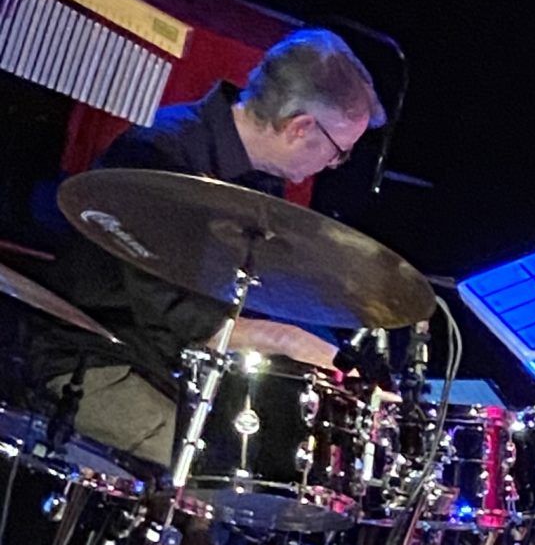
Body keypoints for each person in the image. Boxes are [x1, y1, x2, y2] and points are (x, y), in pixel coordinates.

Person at [35, 28, 383, 463]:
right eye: (339, 152)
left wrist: (344, 360)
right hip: (97, 360)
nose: (333, 166)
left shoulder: (261, 184)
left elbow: (258, 297)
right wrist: (287, 341)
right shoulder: (160, 156)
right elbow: (175, 320)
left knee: (281, 459)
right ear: (300, 127)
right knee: (210, 472)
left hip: (169, 368)